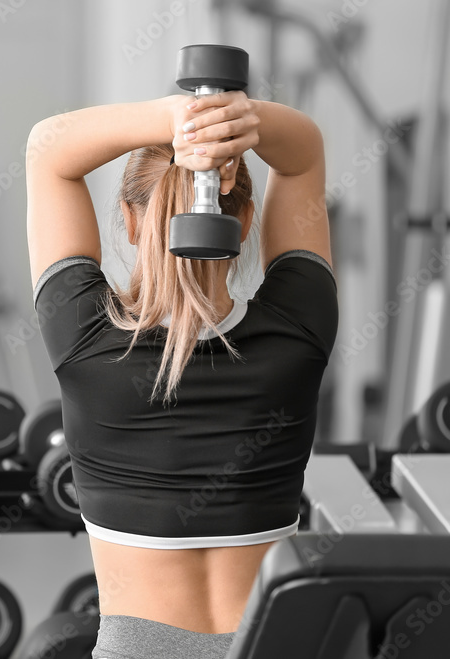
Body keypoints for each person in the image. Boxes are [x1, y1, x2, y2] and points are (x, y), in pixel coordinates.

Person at [27, 90, 337, 659]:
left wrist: (177, 117)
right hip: (278, 643)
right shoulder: (298, 333)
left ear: (126, 220)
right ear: (245, 221)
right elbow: (306, 153)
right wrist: (236, 115)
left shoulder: (83, 341)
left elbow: (47, 152)